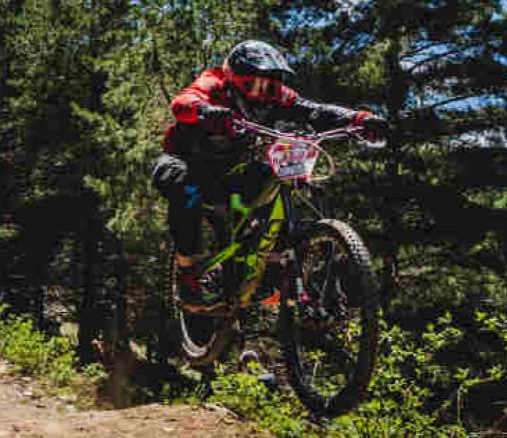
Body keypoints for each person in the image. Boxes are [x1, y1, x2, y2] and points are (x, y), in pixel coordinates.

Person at [152, 40, 387, 309]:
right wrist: (207, 111)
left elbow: (315, 111)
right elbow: (183, 102)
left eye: (270, 85)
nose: (261, 93)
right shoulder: (214, 82)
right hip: (185, 160)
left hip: (229, 169)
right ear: (233, 79)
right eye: (253, 84)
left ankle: (266, 264)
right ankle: (188, 272)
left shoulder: (279, 96)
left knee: (270, 179)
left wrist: (358, 119)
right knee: (184, 187)